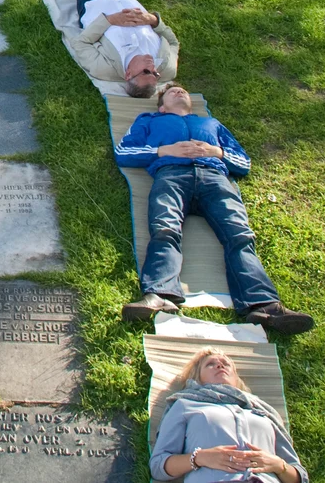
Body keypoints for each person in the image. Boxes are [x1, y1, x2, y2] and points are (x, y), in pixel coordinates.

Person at [115, 83, 314, 334]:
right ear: (162, 105)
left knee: (239, 235)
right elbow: (124, 152)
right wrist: (164, 150)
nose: (180, 92)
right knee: (165, 230)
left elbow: (243, 161)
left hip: (215, 179)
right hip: (171, 175)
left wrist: (217, 151)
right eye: (172, 91)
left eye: (184, 91)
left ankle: (264, 304)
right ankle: (160, 296)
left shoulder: (211, 124)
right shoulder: (149, 120)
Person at [149, 348, 308, 482]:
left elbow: (299, 476)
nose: (219, 365)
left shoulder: (263, 412)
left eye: (226, 364)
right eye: (210, 364)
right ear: (197, 377)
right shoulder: (186, 405)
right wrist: (200, 458)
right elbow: (158, 466)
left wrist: (279, 465)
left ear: (236, 377)